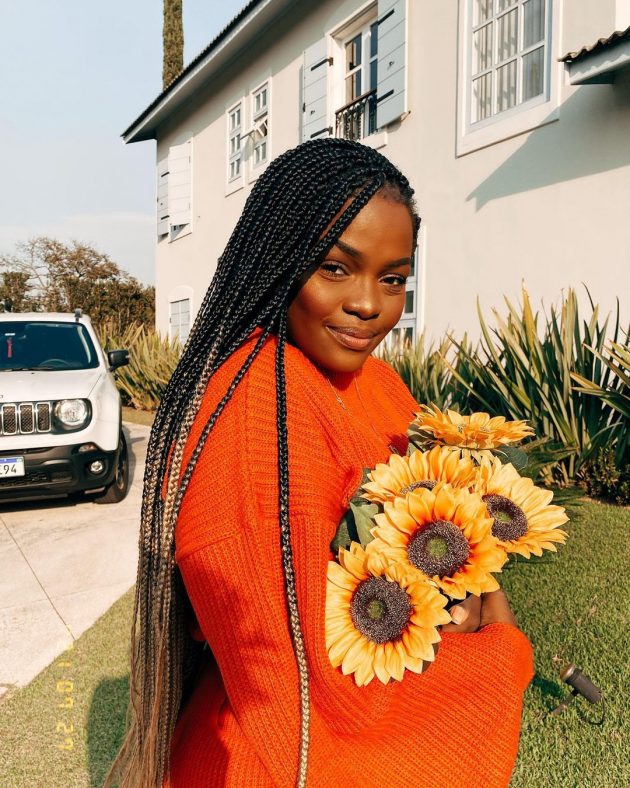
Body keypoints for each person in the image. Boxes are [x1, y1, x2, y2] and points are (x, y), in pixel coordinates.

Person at [106, 137, 534, 788]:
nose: (369, 303)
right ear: (280, 261)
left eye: (393, 278)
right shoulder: (254, 414)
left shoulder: (381, 386)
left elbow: (450, 535)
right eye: (337, 267)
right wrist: (501, 653)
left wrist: (473, 588)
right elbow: (306, 689)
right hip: (269, 763)